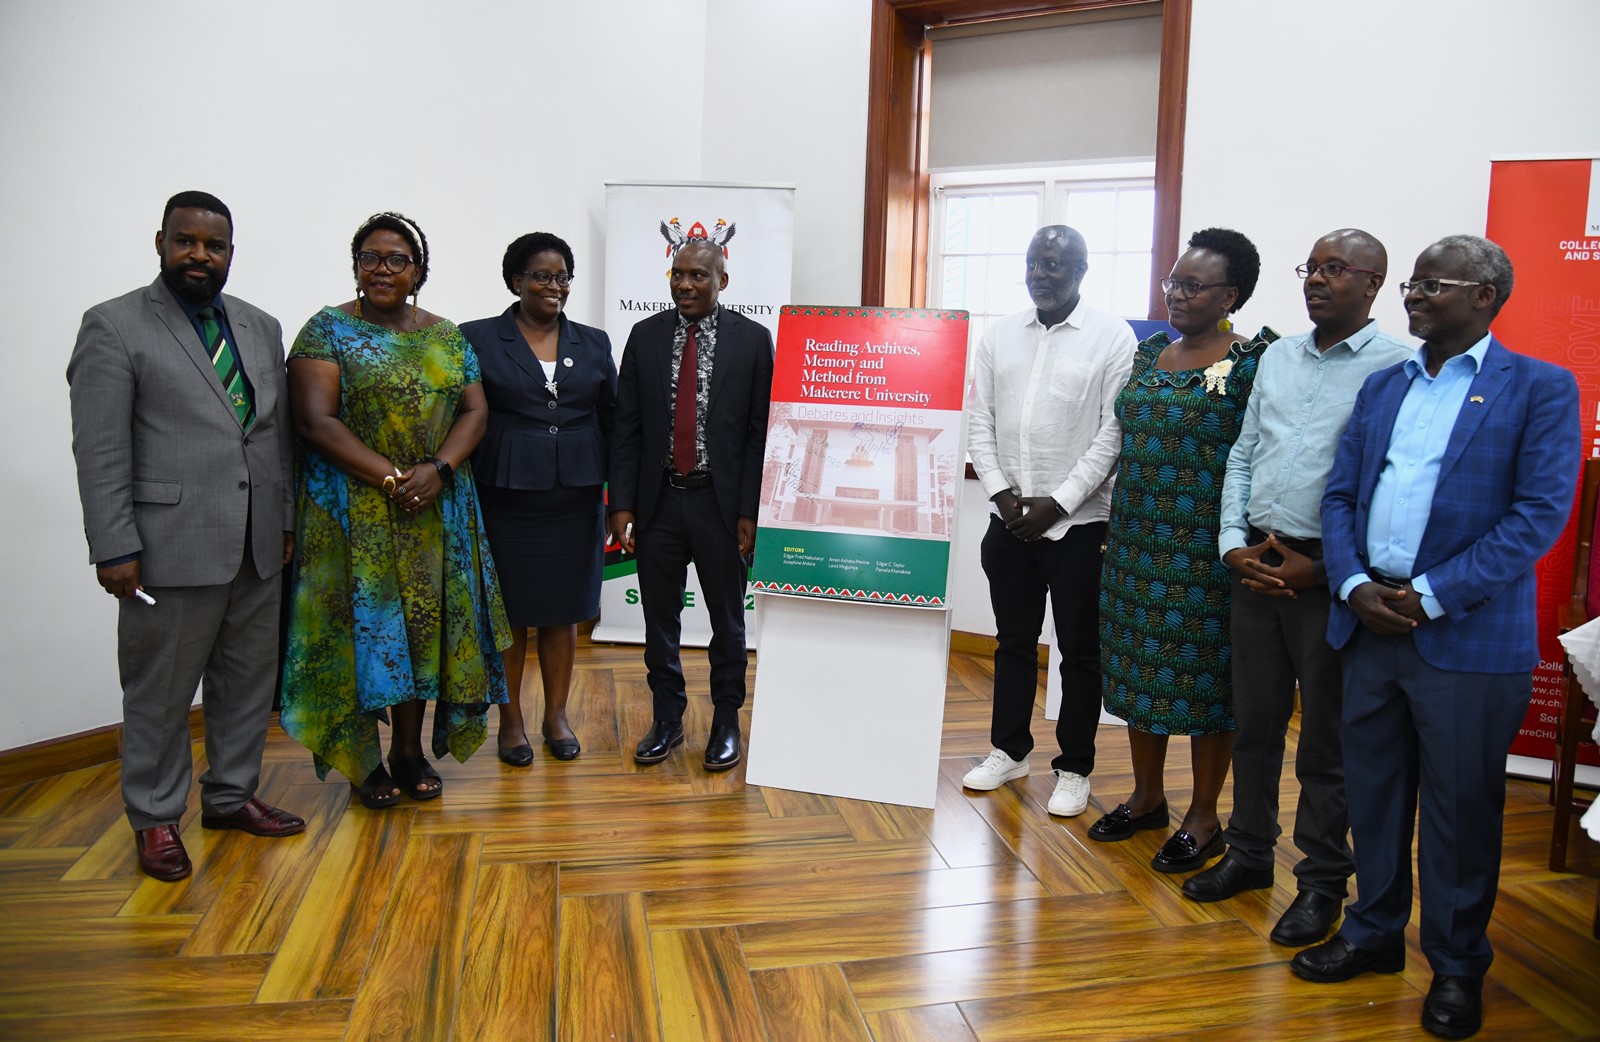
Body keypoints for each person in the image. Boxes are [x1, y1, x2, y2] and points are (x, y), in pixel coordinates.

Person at [1292, 235, 1580, 1041]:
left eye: (1431, 284)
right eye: (1412, 283)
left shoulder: (1541, 390)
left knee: (1460, 812)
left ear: (1485, 296)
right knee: (1374, 795)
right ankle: (1374, 932)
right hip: (1368, 623)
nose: (1413, 295)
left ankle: (1456, 968)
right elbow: (1341, 495)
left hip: (1466, 638)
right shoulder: (1385, 386)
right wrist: (1352, 584)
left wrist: (1426, 595)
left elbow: (1538, 518)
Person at [66, 190, 305, 882]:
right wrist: (113, 545)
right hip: (166, 547)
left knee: (244, 684)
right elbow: (101, 448)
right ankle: (155, 817)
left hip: (258, 545)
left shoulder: (260, 326)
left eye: (215, 245)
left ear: (231, 252)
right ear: (161, 243)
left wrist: (284, 521)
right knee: (160, 693)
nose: (200, 255)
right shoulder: (113, 327)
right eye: (186, 241)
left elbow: (277, 437)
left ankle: (231, 796)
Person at [1182, 230, 1411, 944]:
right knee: (1253, 725)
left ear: (1373, 283)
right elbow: (1245, 455)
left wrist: (1333, 571)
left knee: (1325, 744)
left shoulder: (1397, 369)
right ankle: (1249, 856)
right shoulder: (1277, 357)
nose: (1317, 280)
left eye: (1335, 269)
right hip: (1255, 563)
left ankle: (1319, 885)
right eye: (1310, 268)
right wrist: (1230, 547)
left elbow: (1389, 491)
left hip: (1328, 579)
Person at [280, 211, 511, 806]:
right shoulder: (325, 331)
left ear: (420, 271)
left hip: (435, 509)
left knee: (422, 632)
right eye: (370, 257)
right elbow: (315, 421)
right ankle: (365, 762)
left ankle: (409, 752)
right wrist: (392, 480)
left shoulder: (446, 335)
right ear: (356, 267)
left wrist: (438, 472)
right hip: (353, 514)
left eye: (397, 259)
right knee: (361, 635)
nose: (382, 268)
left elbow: (474, 411)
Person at [1089, 228, 1275, 872]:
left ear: (1232, 293)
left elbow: (1259, 457)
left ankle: (1203, 814)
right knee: (1141, 671)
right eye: (1172, 281)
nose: (1176, 294)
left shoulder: (1254, 362)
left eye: (1193, 286)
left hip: (1207, 553)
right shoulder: (1148, 356)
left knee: (1205, 683)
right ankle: (1146, 797)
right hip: (1137, 545)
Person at [962, 226, 1136, 816]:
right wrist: (1005, 495)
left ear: (1082, 269)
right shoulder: (1000, 334)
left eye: (1056, 264)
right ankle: (1009, 751)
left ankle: (1075, 766)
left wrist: (1057, 503)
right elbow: (978, 420)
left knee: (1080, 652)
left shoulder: (1112, 337)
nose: (1042, 274)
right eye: (1035, 263)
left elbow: (1114, 433)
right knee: (1012, 643)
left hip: (1081, 526)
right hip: (1008, 521)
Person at [608, 238, 773, 771]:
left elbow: (758, 435)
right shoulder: (645, 336)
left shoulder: (752, 341)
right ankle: (667, 719)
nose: (685, 284)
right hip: (658, 503)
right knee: (660, 620)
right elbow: (626, 427)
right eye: (678, 274)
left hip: (720, 507)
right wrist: (622, 504)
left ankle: (726, 721)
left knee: (728, 622)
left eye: (698, 276)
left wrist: (749, 510)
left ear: (722, 281)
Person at [462, 233, 616, 766]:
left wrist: (618, 498)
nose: (554, 287)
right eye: (541, 276)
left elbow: (612, 419)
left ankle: (555, 716)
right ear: (516, 281)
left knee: (565, 613)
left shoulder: (594, 342)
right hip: (507, 496)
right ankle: (510, 723)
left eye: (561, 277)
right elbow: (463, 414)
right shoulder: (478, 338)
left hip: (576, 498)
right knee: (510, 616)